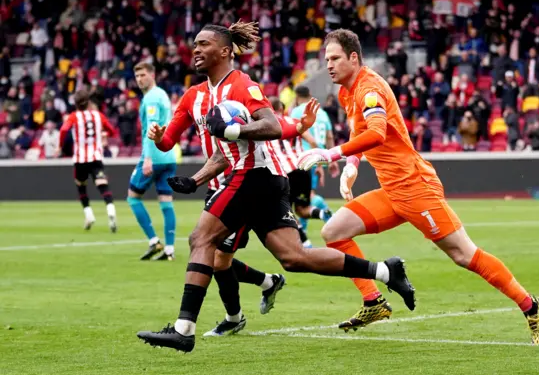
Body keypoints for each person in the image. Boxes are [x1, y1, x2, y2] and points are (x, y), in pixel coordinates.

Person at [137, 22, 415, 352]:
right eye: (194, 44)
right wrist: (172, 152)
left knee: (201, 239)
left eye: (203, 44)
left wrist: (234, 132)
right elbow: (192, 147)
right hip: (258, 180)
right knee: (294, 258)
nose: (195, 49)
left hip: (253, 177)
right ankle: (385, 271)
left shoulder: (241, 85)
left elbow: (269, 125)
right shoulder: (196, 96)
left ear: (225, 51)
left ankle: (185, 329)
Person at [297, 29, 539, 344]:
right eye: (326, 59)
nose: (329, 65)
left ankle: (531, 306)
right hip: (391, 191)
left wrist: (331, 154)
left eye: (334, 58)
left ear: (353, 58)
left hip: (415, 187)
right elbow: (361, 134)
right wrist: (351, 166)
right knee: (333, 232)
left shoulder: (370, 89)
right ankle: (373, 301)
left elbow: (376, 132)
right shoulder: (349, 91)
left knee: (463, 254)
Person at [128, 63, 178, 261]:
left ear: (152, 75)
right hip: (169, 156)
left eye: (143, 75)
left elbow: (152, 126)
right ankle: (170, 250)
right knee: (166, 201)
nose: (139, 79)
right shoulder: (163, 95)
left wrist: (147, 158)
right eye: (137, 76)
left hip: (154, 156)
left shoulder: (150, 98)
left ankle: (154, 241)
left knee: (133, 197)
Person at [58, 90, 118, 231]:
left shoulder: (73, 116)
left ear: (76, 104)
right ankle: (110, 210)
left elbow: (63, 130)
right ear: (89, 102)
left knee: (81, 186)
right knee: (102, 185)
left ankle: (89, 214)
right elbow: (112, 131)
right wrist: (104, 134)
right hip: (96, 157)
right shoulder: (98, 116)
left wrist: (60, 146)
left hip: (80, 159)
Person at [269, 96, 324, 248]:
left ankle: (305, 243)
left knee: (285, 209)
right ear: (282, 108)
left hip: (286, 172)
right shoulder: (293, 121)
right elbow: (312, 142)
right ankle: (322, 213)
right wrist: (319, 165)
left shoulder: (266, 124)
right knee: (302, 209)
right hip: (303, 168)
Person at [289, 85, 337, 242]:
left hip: (302, 159)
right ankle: (307, 230)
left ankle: (323, 218)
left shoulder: (297, 112)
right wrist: (331, 160)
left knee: (305, 199)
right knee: (306, 199)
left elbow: (291, 132)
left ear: (296, 96)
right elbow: (329, 137)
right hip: (320, 157)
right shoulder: (322, 113)